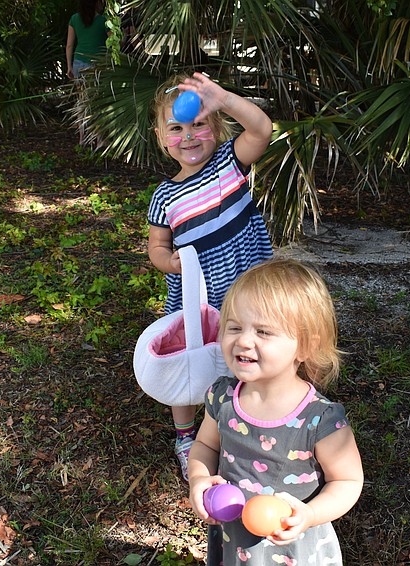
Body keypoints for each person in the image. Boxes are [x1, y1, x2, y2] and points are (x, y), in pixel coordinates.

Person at [187, 259, 364, 565]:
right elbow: (204, 446)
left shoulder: (319, 419)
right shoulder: (223, 397)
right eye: (234, 327)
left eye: (264, 332)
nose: (243, 340)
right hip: (234, 539)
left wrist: (308, 515)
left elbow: (347, 482)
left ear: (305, 347)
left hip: (292, 548)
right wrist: (199, 480)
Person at [147, 72, 274, 481]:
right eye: (177, 128)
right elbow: (157, 248)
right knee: (186, 364)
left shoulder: (228, 163)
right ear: (161, 136)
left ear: (216, 126)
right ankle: (187, 436)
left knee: (246, 355)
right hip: (197, 296)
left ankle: (247, 421)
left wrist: (224, 98)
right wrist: (172, 263)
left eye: (199, 123)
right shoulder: (164, 195)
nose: (188, 135)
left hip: (246, 288)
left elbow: (261, 128)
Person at [65, 0, 109, 80]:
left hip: (78, 62)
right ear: (96, 3)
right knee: (96, 92)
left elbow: (69, 45)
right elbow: (114, 43)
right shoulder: (104, 21)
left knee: (81, 92)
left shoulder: (74, 19)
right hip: (98, 63)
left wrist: (69, 66)